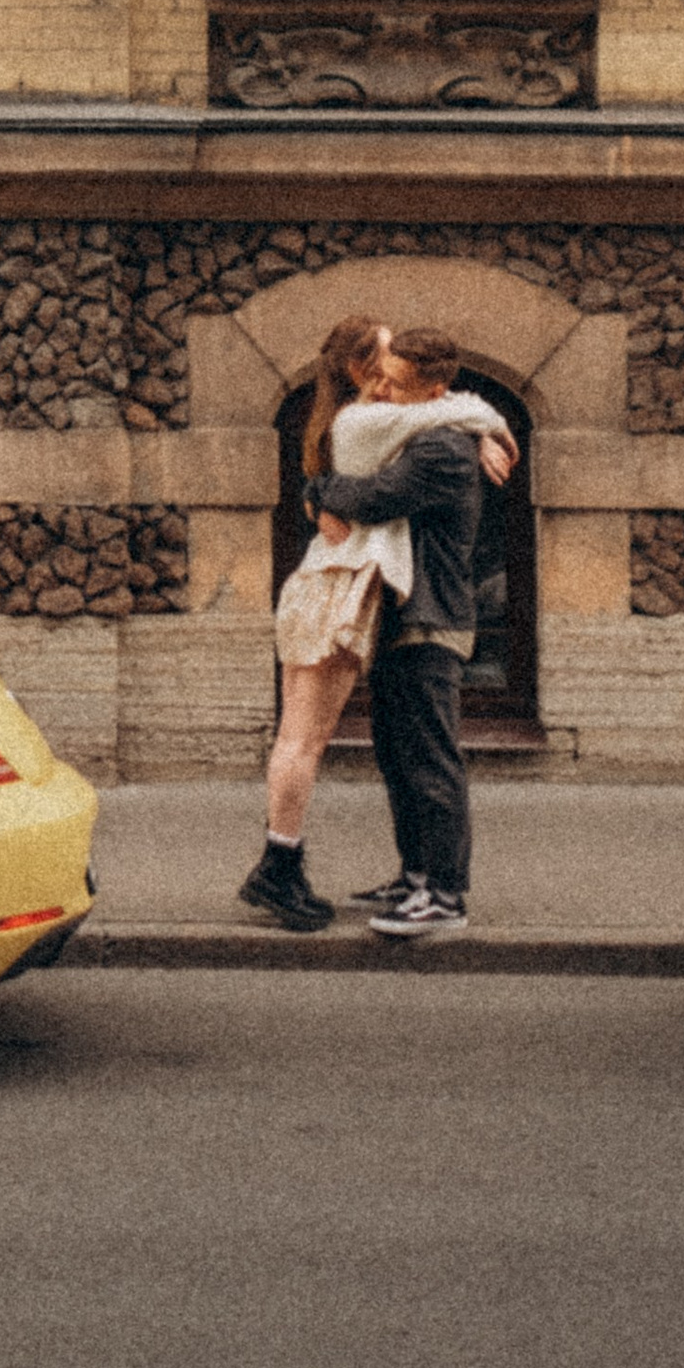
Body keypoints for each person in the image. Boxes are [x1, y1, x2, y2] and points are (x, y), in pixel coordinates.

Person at [311, 323, 511, 939]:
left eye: (397, 384)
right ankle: (416, 873)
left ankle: (445, 894)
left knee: (430, 760)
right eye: (381, 379)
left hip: (431, 621)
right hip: (403, 617)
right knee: (398, 758)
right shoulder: (425, 432)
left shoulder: (443, 452)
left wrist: (319, 489)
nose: (384, 393)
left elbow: (371, 497)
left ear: (435, 390)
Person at [236, 315, 389, 933]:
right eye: (386, 351)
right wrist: (487, 430)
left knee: (295, 739)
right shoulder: (366, 419)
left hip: (314, 585)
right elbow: (439, 414)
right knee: (304, 741)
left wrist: (315, 497)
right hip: (333, 593)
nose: (399, 360)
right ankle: (277, 866)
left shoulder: (330, 422)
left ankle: (282, 862)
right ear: (358, 366)